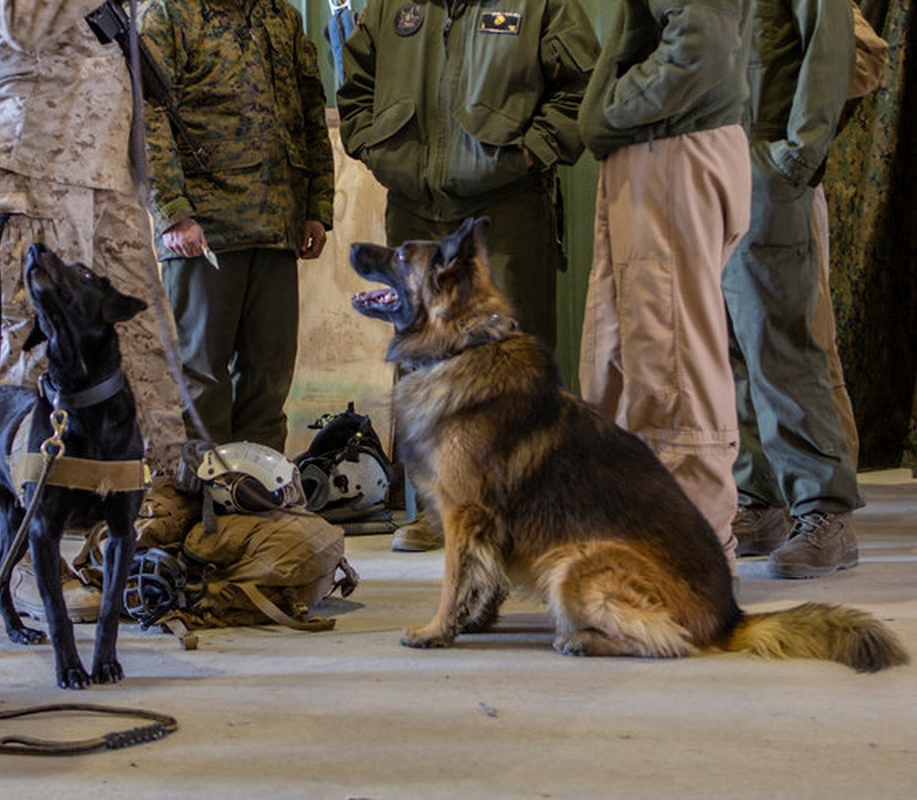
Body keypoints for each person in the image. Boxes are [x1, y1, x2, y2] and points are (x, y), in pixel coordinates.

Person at [0, 1, 191, 618]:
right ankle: (37, 560)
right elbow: (19, 22)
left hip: (106, 171)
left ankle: (141, 540)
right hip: (31, 160)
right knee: (40, 353)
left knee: (141, 349)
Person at [336, 0, 599, 552]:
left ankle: (532, 509)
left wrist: (532, 152)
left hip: (504, 209)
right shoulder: (391, 7)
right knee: (418, 360)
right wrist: (375, 146)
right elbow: (354, 82)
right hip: (413, 206)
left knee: (513, 363)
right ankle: (436, 511)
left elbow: (581, 88)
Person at [577, 0, 755, 578]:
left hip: (672, 146)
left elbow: (697, 41)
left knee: (671, 364)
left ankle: (690, 564)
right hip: (659, 146)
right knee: (628, 361)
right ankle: (646, 546)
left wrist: (612, 110)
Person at [135, 0, 335, 456]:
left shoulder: (280, 14)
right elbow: (146, 115)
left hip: (278, 223)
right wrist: (172, 211)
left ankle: (257, 494)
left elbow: (309, 106)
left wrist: (317, 204)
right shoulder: (167, 13)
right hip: (204, 229)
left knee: (270, 374)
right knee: (201, 376)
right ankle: (199, 498)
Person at [723, 0, 861, 579]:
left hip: (764, 161)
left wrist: (794, 157)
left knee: (780, 342)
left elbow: (829, 51)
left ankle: (823, 511)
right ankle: (759, 501)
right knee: (730, 346)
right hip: (712, 158)